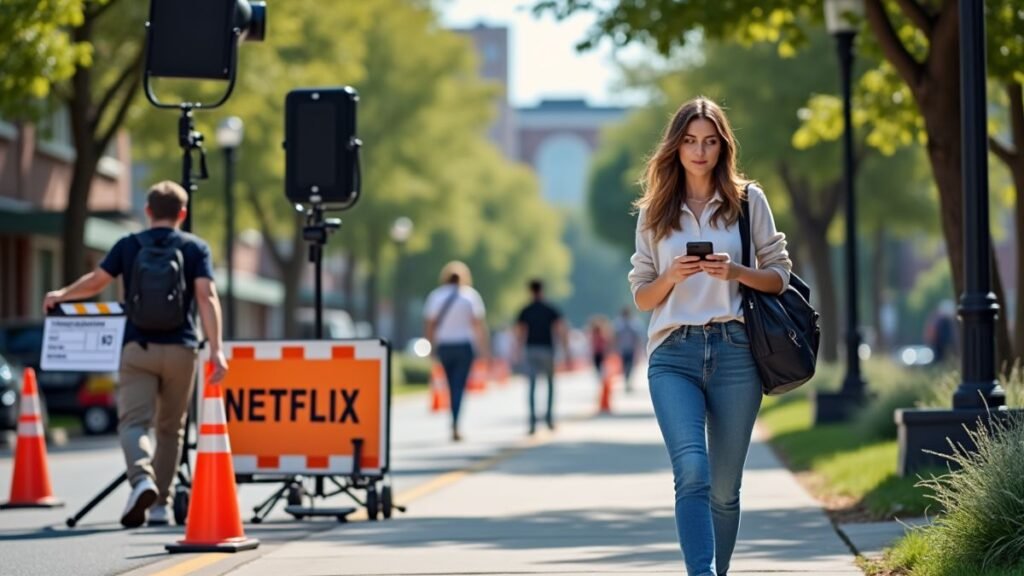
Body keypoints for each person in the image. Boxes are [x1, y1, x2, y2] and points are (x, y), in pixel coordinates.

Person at [628, 97, 792, 576]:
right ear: (675, 147)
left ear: (723, 146)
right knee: (692, 473)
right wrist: (672, 276)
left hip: (736, 352)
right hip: (672, 355)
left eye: (710, 141)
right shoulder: (655, 209)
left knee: (724, 488)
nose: (700, 151)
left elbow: (780, 274)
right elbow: (642, 296)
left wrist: (736, 272)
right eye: (690, 141)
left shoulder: (747, 201)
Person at [43, 181, 228, 528]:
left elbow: (97, 282)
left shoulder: (129, 245)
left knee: (133, 422)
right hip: (181, 349)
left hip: (137, 348)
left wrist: (62, 294)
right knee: (171, 429)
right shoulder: (195, 248)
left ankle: (141, 478)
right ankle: (159, 505)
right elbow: (206, 297)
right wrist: (217, 349)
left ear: (147, 211)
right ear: (182, 214)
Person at [423, 261, 489, 442]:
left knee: (449, 384)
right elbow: (478, 325)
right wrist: (484, 349)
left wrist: (430, 346)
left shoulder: (436, 297)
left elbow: (430, 325)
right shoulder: (470, 297)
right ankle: (456, 421)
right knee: (459, 386)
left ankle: (453, 418)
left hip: (445, 345)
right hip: (464, 346)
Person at [514, 279, 570, 435]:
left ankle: (532, 422)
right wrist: (566, 351)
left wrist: (517, 352)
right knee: (550, 385)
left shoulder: (526, 310)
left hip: (531, 349)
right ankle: (549, 419)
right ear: (542, 290)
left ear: (530, 291)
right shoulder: (550, 309)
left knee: (532, 386)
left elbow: (520, 333)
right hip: (547, 349)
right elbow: (560, 329)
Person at [612, 307, 643, 392]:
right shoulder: (619, 324)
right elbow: (615, 336)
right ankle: (626, 381)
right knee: (624, 366)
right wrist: (615, 347)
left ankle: (628, 381)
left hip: (631, 349)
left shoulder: (633, 323)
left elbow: (637, 337)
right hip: (623, 349)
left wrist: (638, 348)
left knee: (630, 366)